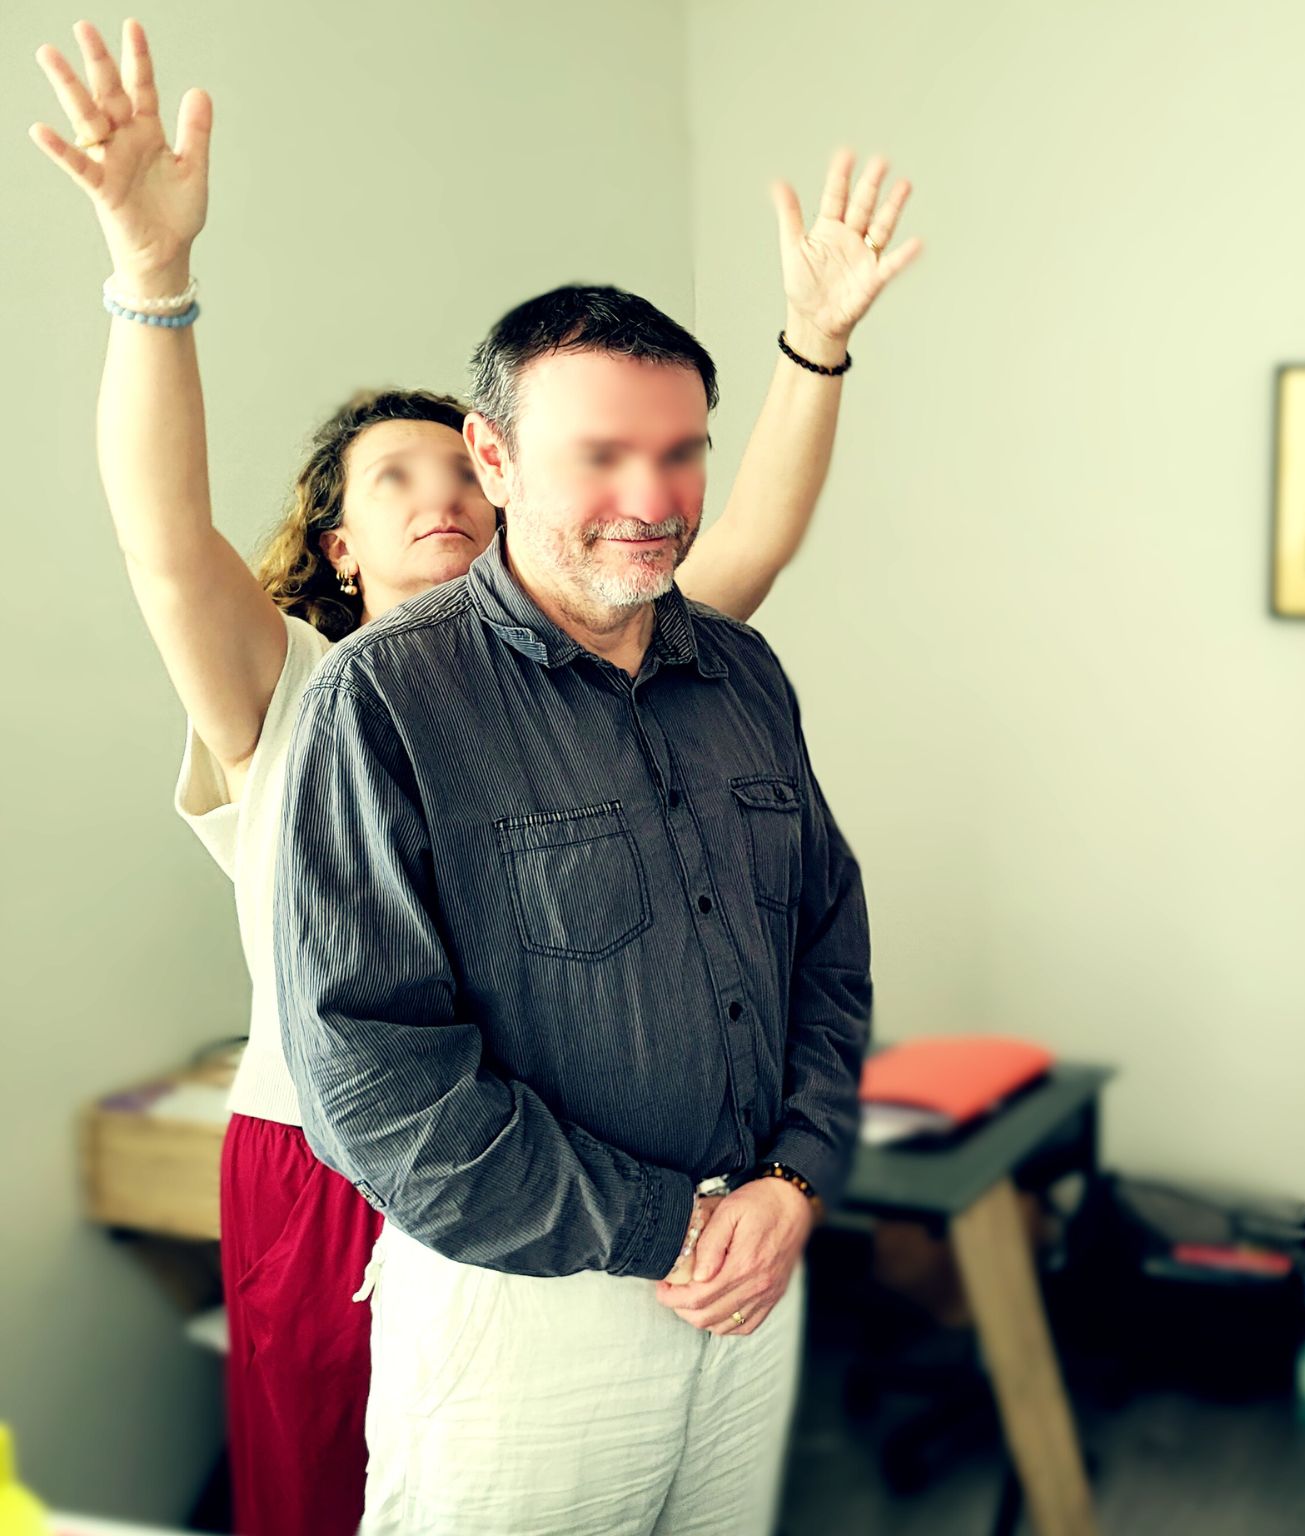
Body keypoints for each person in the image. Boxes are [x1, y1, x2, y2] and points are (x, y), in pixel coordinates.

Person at [27, 19, 918, 1535]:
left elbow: (740, 529)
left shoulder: (676, 649)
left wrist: (814, 346)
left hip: (683, 1247)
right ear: (334, 545)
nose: (446, 495)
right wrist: (151, 280)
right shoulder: (316, 690)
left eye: (458, 465)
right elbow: (162, 533)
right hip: (354, 1170)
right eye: (404, 476)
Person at [275, 280, 873, 1536]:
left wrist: (796, 1177)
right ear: (492, 458)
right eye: (600, 456)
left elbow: (825, 942)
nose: (652, 502)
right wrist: (669, 1225)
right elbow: (374, 1084)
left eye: (679, 453)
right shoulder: (382, 700)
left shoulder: (742, 670)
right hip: (527, 1315)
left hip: (755, 1273)